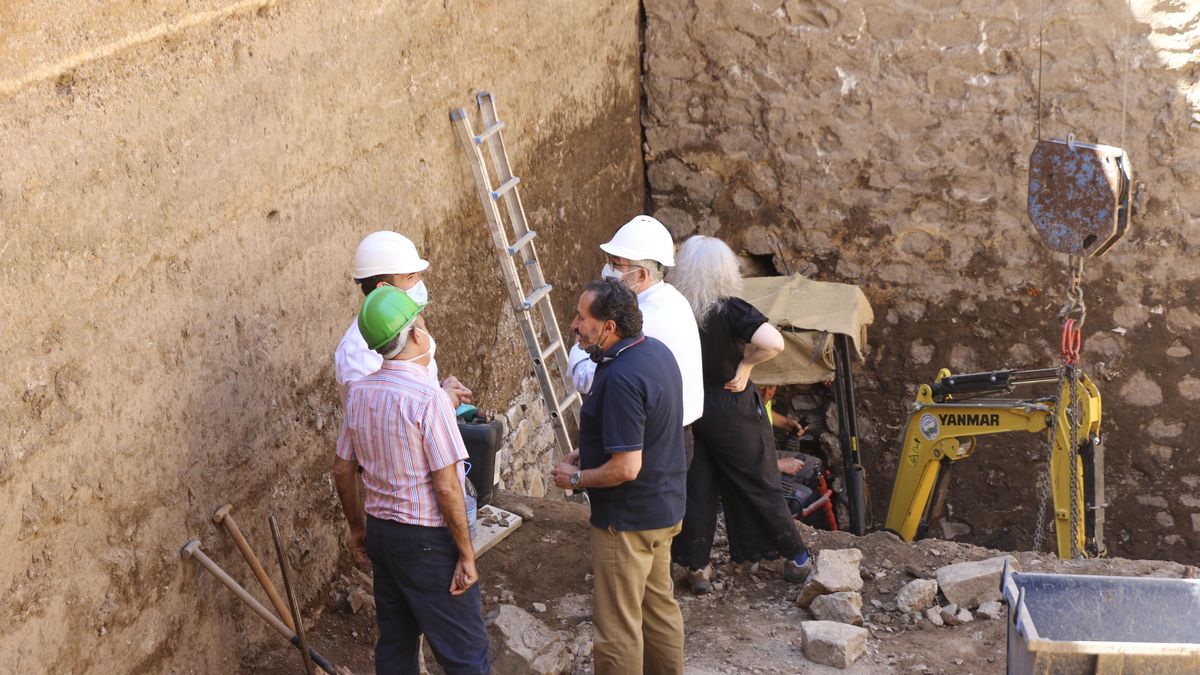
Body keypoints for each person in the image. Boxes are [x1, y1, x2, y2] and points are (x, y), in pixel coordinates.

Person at [333, 286, 489, 674]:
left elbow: (343, 469)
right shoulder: (428, 399)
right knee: (465, 653)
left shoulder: (359, 393)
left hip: (383, 534)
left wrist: (357, 528)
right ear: (416, 334)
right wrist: (466, 554)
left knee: (397, 645)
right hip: (426, 540)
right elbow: (447, 485)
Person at [551, 279, 687, 675]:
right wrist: (590, 452)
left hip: (626, 523)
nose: (574, 325)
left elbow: (627, 467)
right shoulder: (656, 353)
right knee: (658, 609)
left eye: (582, 318)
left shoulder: (622, 377)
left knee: (616, 629)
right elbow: (648, 431)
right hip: (663, 509)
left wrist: (575, 480)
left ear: (608, 327)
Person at [668, 235, 813, 595]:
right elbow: (774, 342)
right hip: (730, 407)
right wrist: (747, 365)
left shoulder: (675, 308)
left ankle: (698, 568)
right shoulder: (731, 309)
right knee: (759, 479)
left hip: (689, 406)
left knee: (696, 485)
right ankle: (796, 557)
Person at [567, 215, 703, 463]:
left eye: (616, 264)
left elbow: (588, 378)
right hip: (668, 435)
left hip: (654, 442)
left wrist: (579, 347)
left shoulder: (643, 318)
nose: (608, 270)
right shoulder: (670, 298)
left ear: (641, 275)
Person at [334, 230, 472, 407]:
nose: (419, 283)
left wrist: (441, 389)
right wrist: (442, 401)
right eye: (410, 277)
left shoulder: (407, 322)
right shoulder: (358, 351)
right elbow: (386, 417)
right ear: (384, 288)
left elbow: (412, 388)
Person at [761, 384, 807, 476]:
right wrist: (778, 465)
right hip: (758, 465)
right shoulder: (740, 410)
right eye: (761, 388)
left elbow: (765, 412)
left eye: (771, 387)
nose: (767, 393)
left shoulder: (760, 402)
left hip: (767, 455)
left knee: (814, 466)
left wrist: (786, 423)